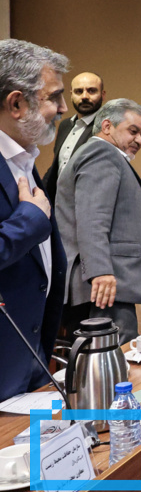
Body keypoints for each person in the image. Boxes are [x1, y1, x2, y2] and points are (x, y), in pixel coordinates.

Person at [56, 98, 141, 342]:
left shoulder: (106, 155)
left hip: (106, 284)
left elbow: (117, 219)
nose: (139, 140)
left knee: (115, 356)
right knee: (112, 358)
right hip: (101, 286)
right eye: (133, 131)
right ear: (107, 126)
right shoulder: (101, 153)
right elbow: (93, 219)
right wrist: (100, 272)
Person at [0, 39, 68, 403]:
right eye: (54, 97)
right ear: (17, 104)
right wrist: (28, 221)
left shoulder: (24, 157)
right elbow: (29, 224)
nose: (64, 108)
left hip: (30, 360)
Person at [43, 70, 103, 209]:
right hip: (57, 206)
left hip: (86, 207)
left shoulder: (107, 129)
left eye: (91, 91)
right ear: (71, 95)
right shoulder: (65, 125)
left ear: (103, 94)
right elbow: (58, 166)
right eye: (78, 91)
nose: (84, 96)